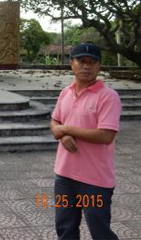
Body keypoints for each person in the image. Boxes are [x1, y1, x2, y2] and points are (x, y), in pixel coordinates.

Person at [50, 43, 122, 240]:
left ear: (99, 67)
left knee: (100, 232)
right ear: (72, 64)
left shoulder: (108, 97)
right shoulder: (66, 92)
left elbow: (106, 135)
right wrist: (62, 134)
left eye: (93, 62)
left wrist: (66, 129)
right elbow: (55, 119)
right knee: (65, 229)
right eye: (81, 61)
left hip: (95, 181)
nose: (87, 66)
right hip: (65, 176)